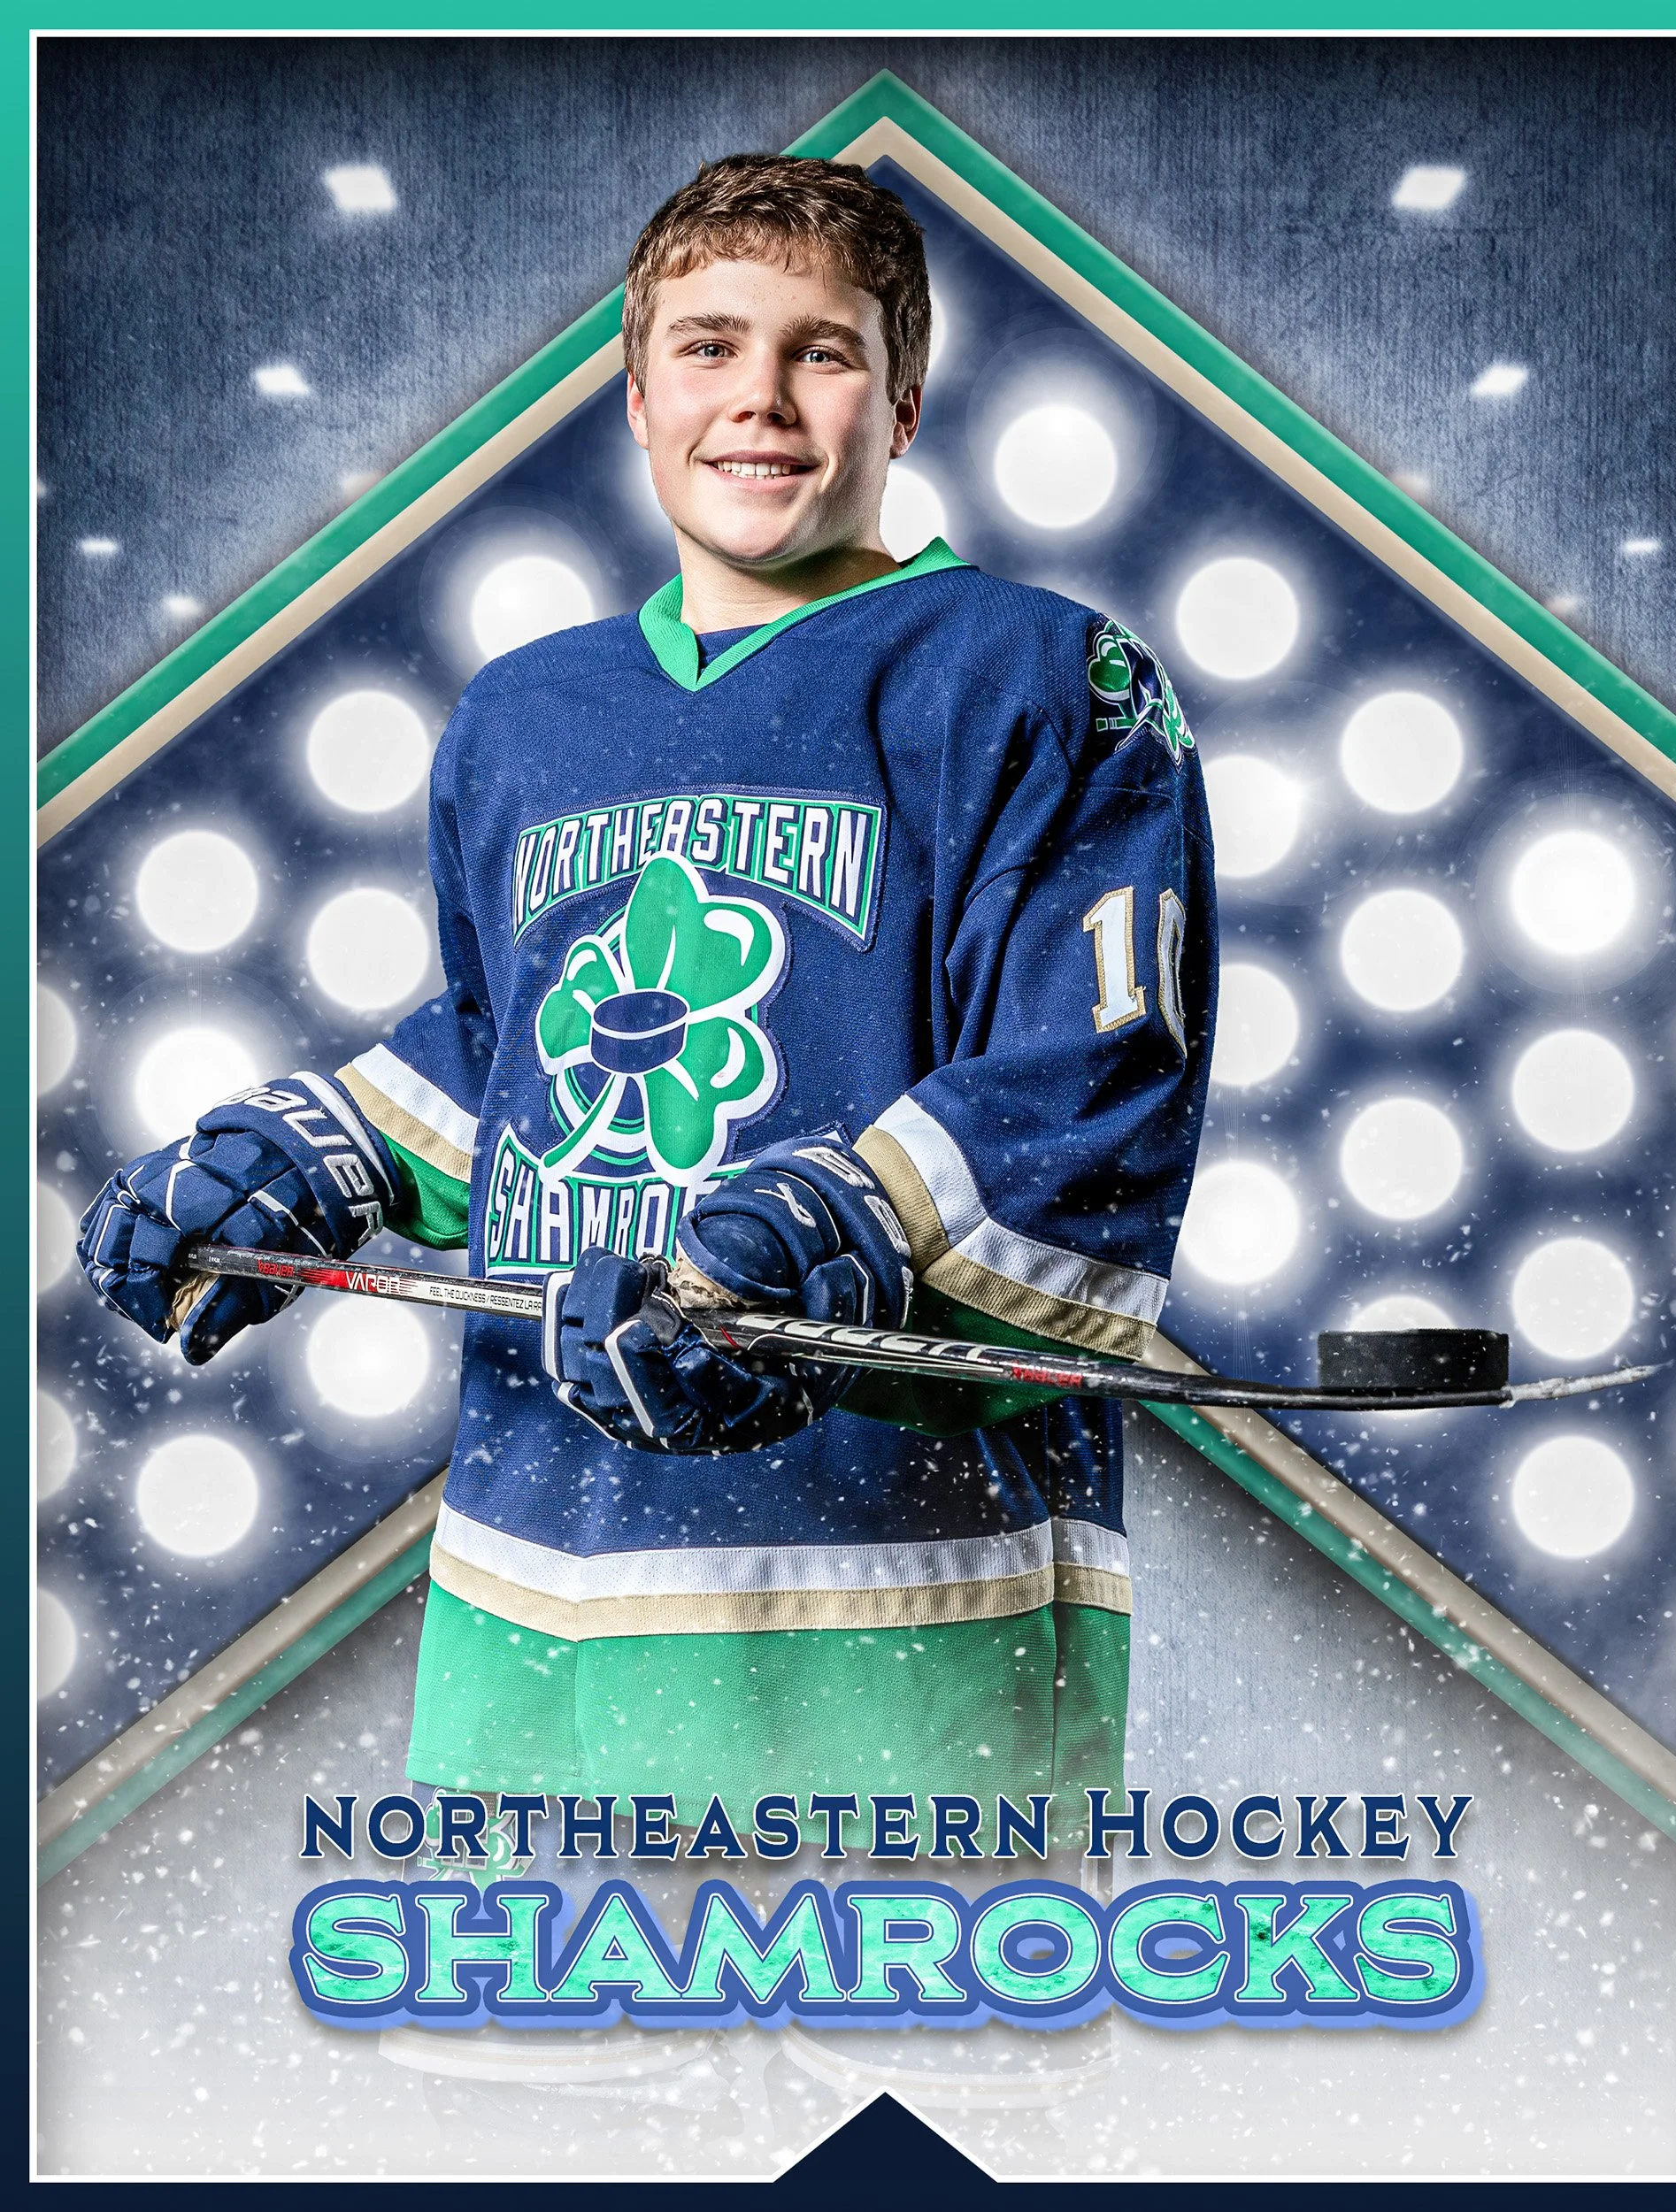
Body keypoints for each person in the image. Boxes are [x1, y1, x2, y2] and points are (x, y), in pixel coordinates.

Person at [77, 152, 1216, 1850]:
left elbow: (1101, 1076)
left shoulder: (1044, 680)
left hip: (897, 1640)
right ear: (633, 392)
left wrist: (831, 1235)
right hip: (536, 1593)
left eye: (820, 353)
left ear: (903, 397)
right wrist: (319, 1151)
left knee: (904, 2120)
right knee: (537, 2109)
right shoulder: (523, 716)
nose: (757, 399)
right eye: (706, 347)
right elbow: (521, 1054)